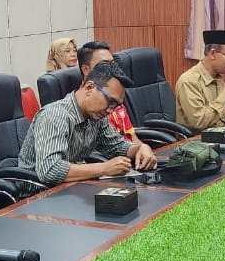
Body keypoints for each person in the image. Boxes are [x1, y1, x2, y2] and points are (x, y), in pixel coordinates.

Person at [18, 60, 157, 185]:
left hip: (72, 188)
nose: (111, 110)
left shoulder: (96, 116)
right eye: (111, 101)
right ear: (90, 88)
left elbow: (117, 147)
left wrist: (140, 148)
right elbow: (50, 171)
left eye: (116, 105)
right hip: (37, 196)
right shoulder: (55, 116)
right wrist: (103, 168)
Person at [77, 40, 137, 143]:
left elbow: (130, 138)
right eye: (104, 64)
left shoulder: (115, 99)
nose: (112, 68)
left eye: (113, 63)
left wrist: (142, 149)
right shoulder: (92, 108)